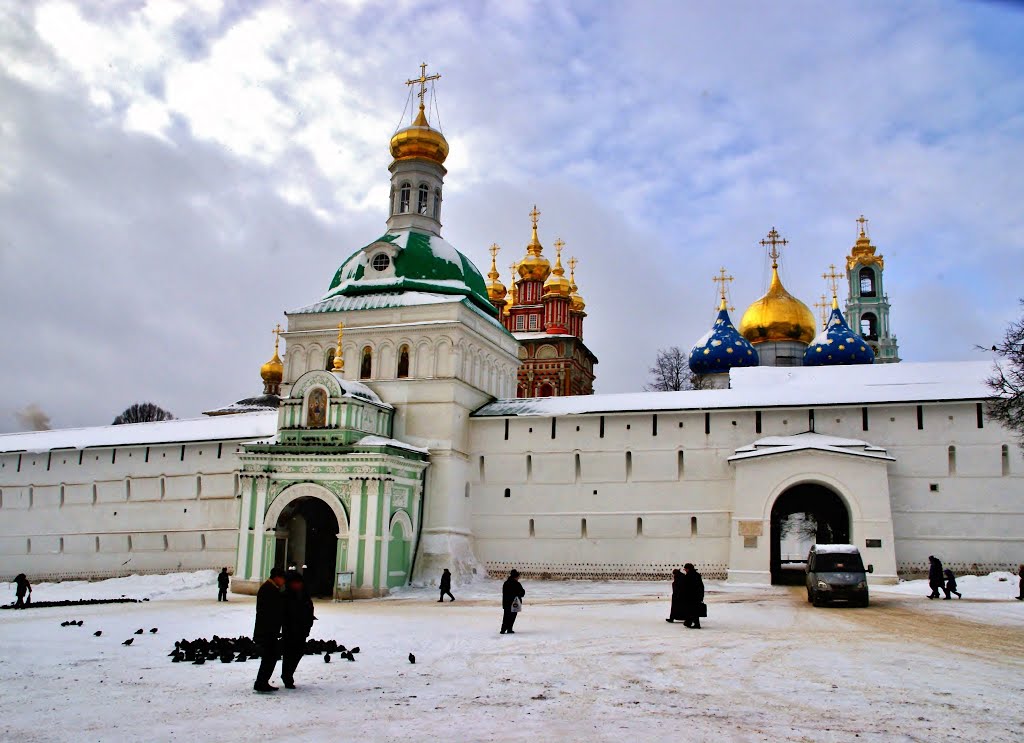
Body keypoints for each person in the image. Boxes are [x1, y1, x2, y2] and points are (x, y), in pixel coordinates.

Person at [253, 567, 286, 693]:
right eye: (283, 579)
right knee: (270, 657)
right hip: (267, 630)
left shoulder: (270, 588)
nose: (284, 582)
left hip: (267, 629)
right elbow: (270, 611)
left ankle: (262, 681)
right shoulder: (269, 589)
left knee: (270, 657)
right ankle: (261, 682)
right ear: (277, 577)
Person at [281, 571, 315, 690]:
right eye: (296, 583)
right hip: (290, 630)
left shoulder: (304, 594)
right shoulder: (286, 596)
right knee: (289, 654)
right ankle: (287, 676)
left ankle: (288, 674)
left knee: (298, 652)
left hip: (302, 629)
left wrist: (308, 623)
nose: (298, 585)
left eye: (299, 583)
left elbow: (309, 607)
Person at [500, 569, 525, 634]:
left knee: (506, 616)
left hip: (506, 603)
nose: (519, 578)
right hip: (514, 603)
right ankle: (509, 629)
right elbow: (522, 593)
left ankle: (503, 630)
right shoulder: (517, 584)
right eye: (518, 576)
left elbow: (504, 593)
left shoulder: (505, 583)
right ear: (516, 576)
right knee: (512, 617)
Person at [680, 563, 705, 629]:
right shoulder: (696, 575)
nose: (684, 570)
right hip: (696, 596)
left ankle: (696, 624)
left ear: (688, 569)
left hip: (691, 596)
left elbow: (686, 587)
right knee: (693, 610)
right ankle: (689, 622)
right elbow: (701, 586)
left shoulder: (689, 576)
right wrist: (701, 596)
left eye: (685, 569)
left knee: (692, 610)